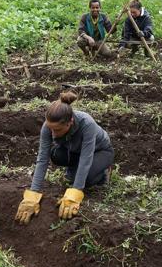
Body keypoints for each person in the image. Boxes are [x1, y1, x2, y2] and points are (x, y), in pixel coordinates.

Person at [14, 91, 114, 224]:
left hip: (100, 151)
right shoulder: (48, 127)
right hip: (74, 151)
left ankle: (103, 173)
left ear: (70, 122)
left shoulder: (87, 124)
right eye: (51, 129)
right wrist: (33, 194)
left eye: (58, 130)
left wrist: (75, 192)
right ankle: (74, 171)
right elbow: (42, 159)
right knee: (56, 155)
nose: (53, 134)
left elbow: (86, 158)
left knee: (87, 178)